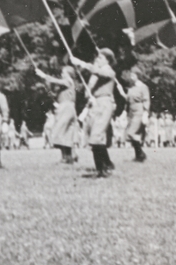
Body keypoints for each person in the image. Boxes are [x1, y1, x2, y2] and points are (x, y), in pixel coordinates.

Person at [72, 48, 118, 177]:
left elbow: (99, 72)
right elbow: (88, 91)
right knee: (93, 137)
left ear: (108, 60)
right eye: (97, 57)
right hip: (95, 104)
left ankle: (103, 169)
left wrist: (82, 63)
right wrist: (89, 94)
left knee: (96, 136)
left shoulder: (110, 71)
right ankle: (103, 167)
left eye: (101, 58)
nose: (97, 59)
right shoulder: (96, 75)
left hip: (104, 104)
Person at [35, 63, 80, 164]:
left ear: (69, 74)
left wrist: (44, 76)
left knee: (60, 131)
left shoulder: (69, 81)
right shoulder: (66, 84)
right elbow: (56, 94)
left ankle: (67, 157)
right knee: (65, 133)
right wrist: (49, 90)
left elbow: (56, 81)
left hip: (66, 108)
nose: (62, 74)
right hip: (65, 107)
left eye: (63, 72)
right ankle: (69, 156)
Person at [124, 66, 151, 163]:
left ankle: (141, 154)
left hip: (139, 112)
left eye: (133, 75)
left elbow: (146, 100)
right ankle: (138, 156)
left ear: (138, 76)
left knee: (131, 133)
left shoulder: (143, 87)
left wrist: (145, 113)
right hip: (131, 112)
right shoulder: (131, 88)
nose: (131, 77)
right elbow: (128, 100)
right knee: (129, 135)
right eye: (131, 75)